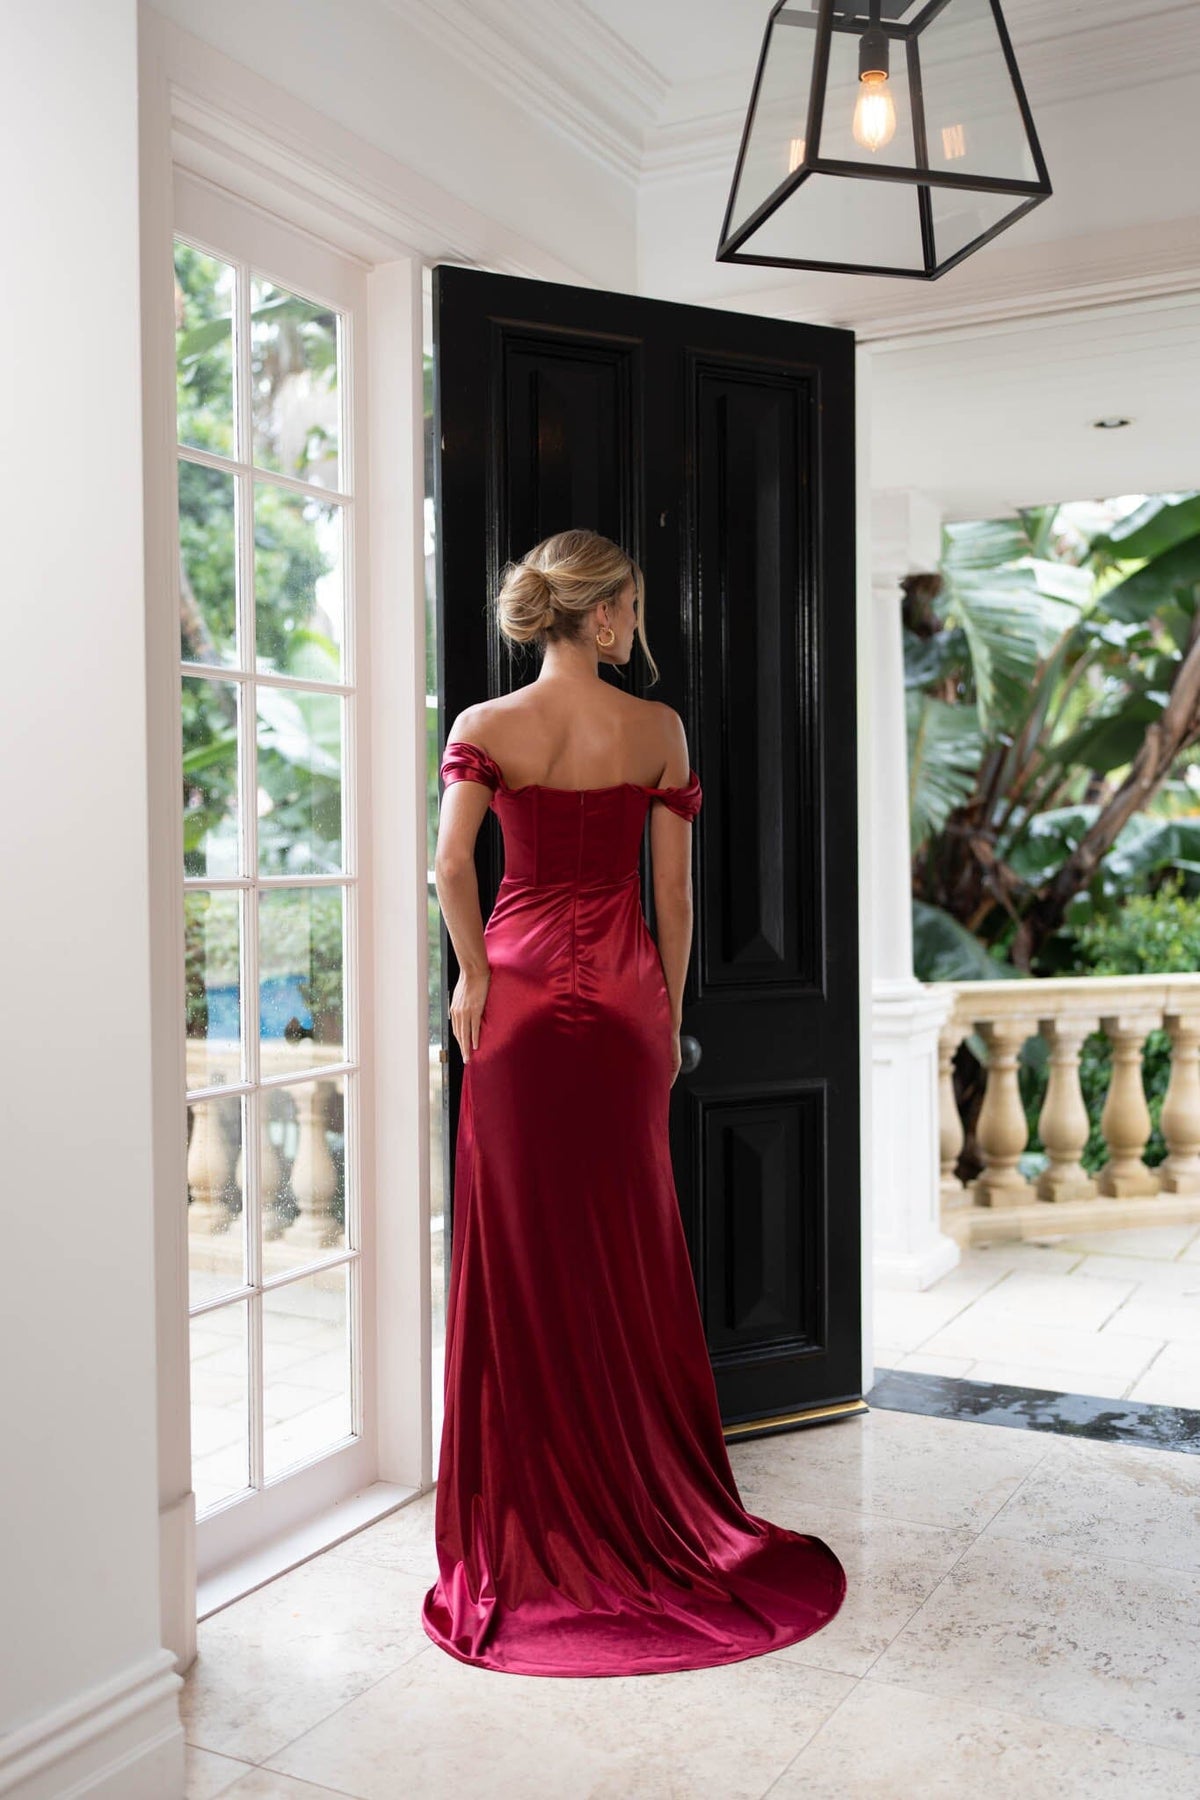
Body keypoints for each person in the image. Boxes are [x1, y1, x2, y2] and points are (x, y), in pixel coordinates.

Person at [420, 528, 846, 1676]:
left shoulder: (483, 728)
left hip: (509, 1014)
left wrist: (470, 974)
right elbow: (673, 896)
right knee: (623, 1245)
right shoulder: (656, 730)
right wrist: (659, 1012)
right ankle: (638, 1492)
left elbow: (449, 867)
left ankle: (531, 1521)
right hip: (618, 1009)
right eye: (635, 609)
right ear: (605, 617)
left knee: (517, 1254)